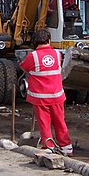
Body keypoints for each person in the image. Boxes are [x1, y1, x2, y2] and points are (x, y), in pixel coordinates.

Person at [19, 28, 73, 156]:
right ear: (49, 40)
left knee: (44, 123)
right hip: (56, 95)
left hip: (40, 97)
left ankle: (48, 146)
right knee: (60, 121)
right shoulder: (57, 54)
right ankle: (66, 147)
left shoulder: (32, 56)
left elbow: (23, 67)